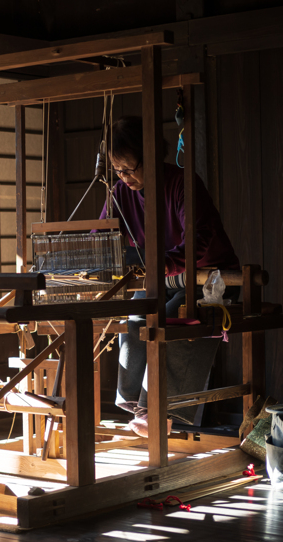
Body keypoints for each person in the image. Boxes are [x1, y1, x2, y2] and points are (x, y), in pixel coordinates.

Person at [100, 116, 240, 437]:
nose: (123, 177)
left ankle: (160, 411)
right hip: (164, 277)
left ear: (150, 155)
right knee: (135, 316)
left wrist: (164, 265)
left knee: (174, 320)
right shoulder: (122, 192)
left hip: (212, 279)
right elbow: (102, 235)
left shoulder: (182, 183)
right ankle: (138, 405)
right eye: (117, 170)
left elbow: (199, 237)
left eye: (129, 168)